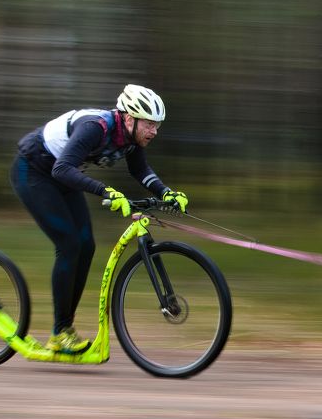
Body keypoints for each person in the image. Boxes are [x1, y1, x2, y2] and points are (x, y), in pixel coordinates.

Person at [10, 84, 189, 354]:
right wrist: (105, 191)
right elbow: (61, 168)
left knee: (87, 245)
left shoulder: (130, 138)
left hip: (62, 176)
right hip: (33, 171)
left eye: (157, 125)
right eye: (150, 124)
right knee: (69, 245)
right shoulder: (96, 127)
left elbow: (140, 169)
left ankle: (64, 329)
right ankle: (60, 333)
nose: (154, 131)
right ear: (129, 118)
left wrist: (167, 193)